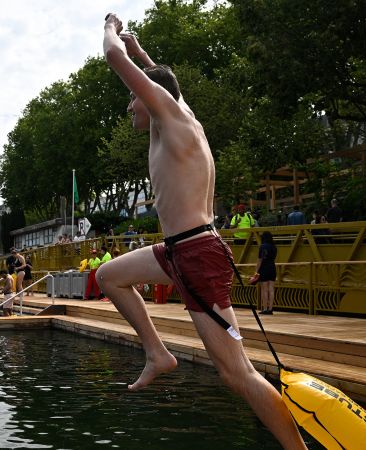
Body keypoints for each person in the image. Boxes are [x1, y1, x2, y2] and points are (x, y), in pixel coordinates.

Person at [100, 16, 305, 449]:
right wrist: (143, 55)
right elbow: (166, 82)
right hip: (176, 251)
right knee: (109, 276)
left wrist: (112, 30)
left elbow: (113, 57)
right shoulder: (181, 115)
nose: (129, 106)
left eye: (133, 98)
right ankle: (157, 353)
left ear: (150, 95)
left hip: (196, 253)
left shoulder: (169, 117)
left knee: (237, 374)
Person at [254, 231, 277, 315]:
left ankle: (265, 308)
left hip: (264, 268)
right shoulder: (274, 247)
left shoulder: (262, 246)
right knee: (271, 289)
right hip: (272, 267)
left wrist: (256, 271)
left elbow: (260, 259)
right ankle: (270, 309)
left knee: (264, 289)